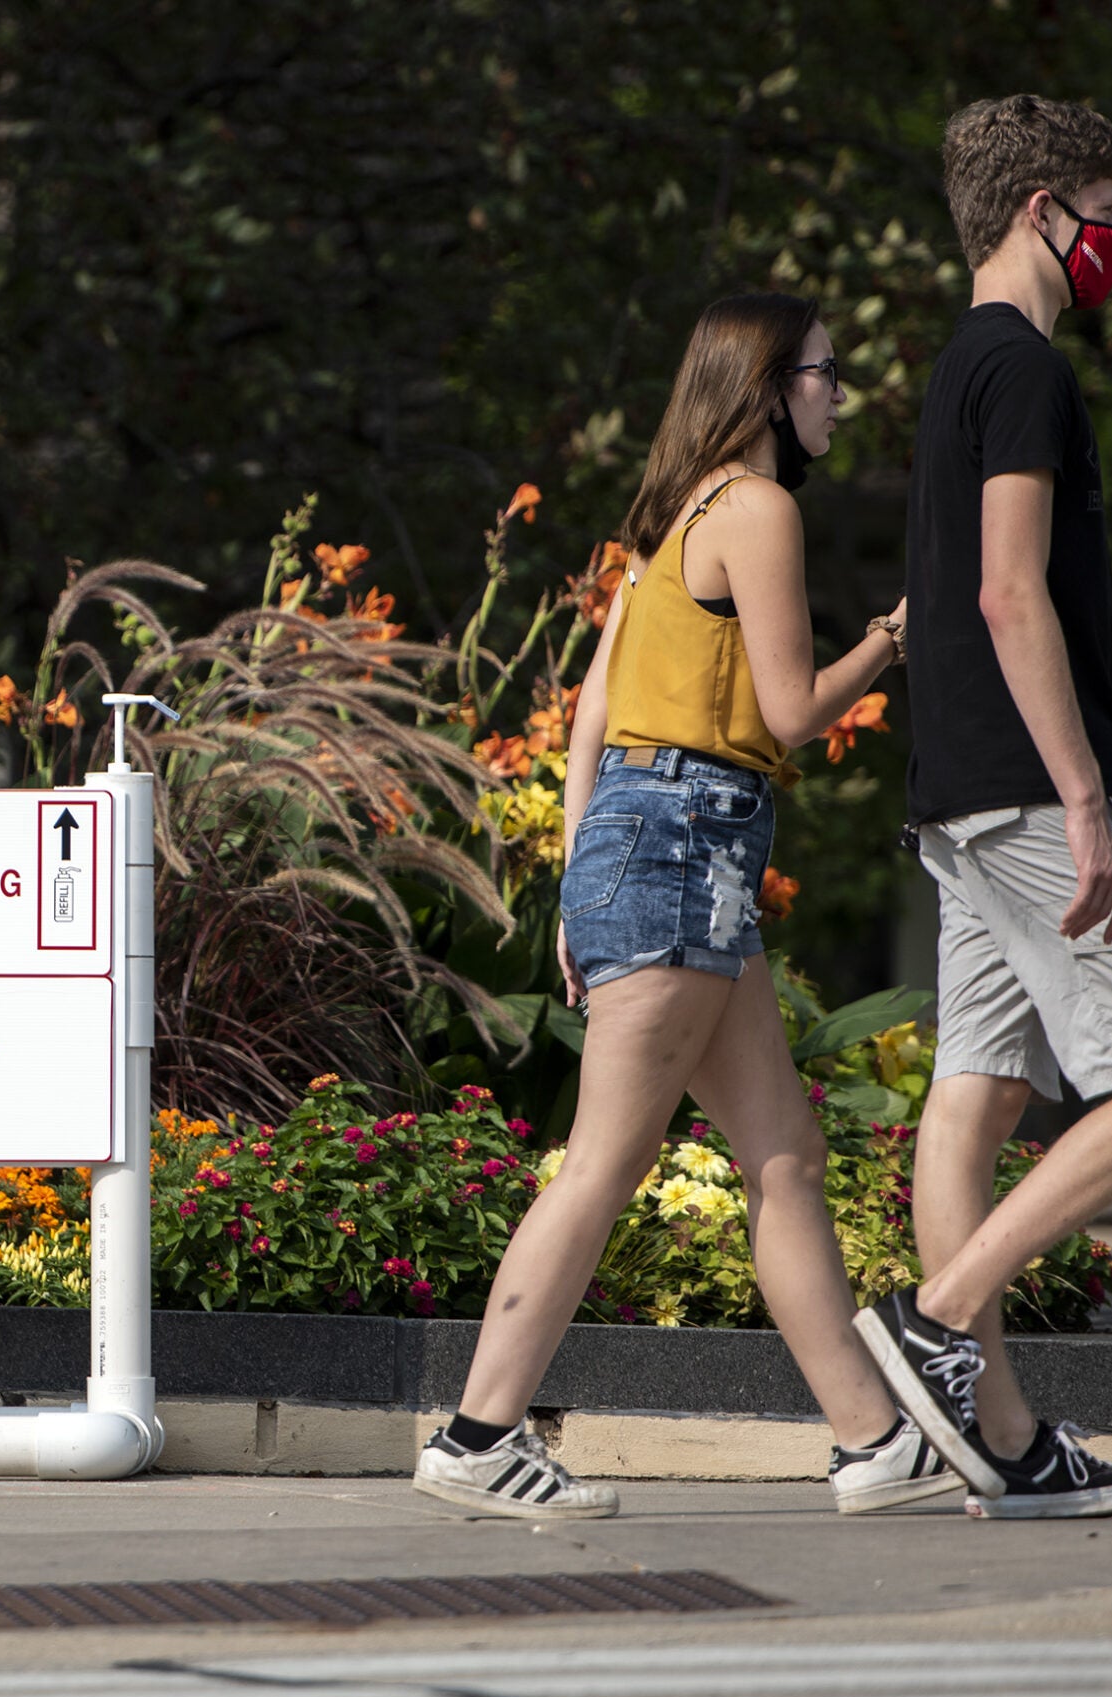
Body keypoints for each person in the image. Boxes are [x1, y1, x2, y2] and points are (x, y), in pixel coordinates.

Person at [413, 293, 954, 1520]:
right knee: (604, 1160)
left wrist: (575, 877)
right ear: (767, 387)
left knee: (784, 1162)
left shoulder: (675, 521)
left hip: (651, 843)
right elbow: (793, 713)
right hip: (684, 843)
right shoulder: (754, 510)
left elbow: (594, 710)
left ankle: (876, 1443)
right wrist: (892, 636)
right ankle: (476, 1434)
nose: (837, 394)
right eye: (823, 373)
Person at [851, 95, 1112, 1520]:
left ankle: (996, 1446)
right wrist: (1085, 797)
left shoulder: (956, 365)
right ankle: (938, 1322)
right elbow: (1009, 591)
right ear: (1042, 215)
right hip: (1033, 787)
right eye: (1104, 209)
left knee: (977, 1102)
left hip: (956, 794)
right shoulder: (1024, 371)